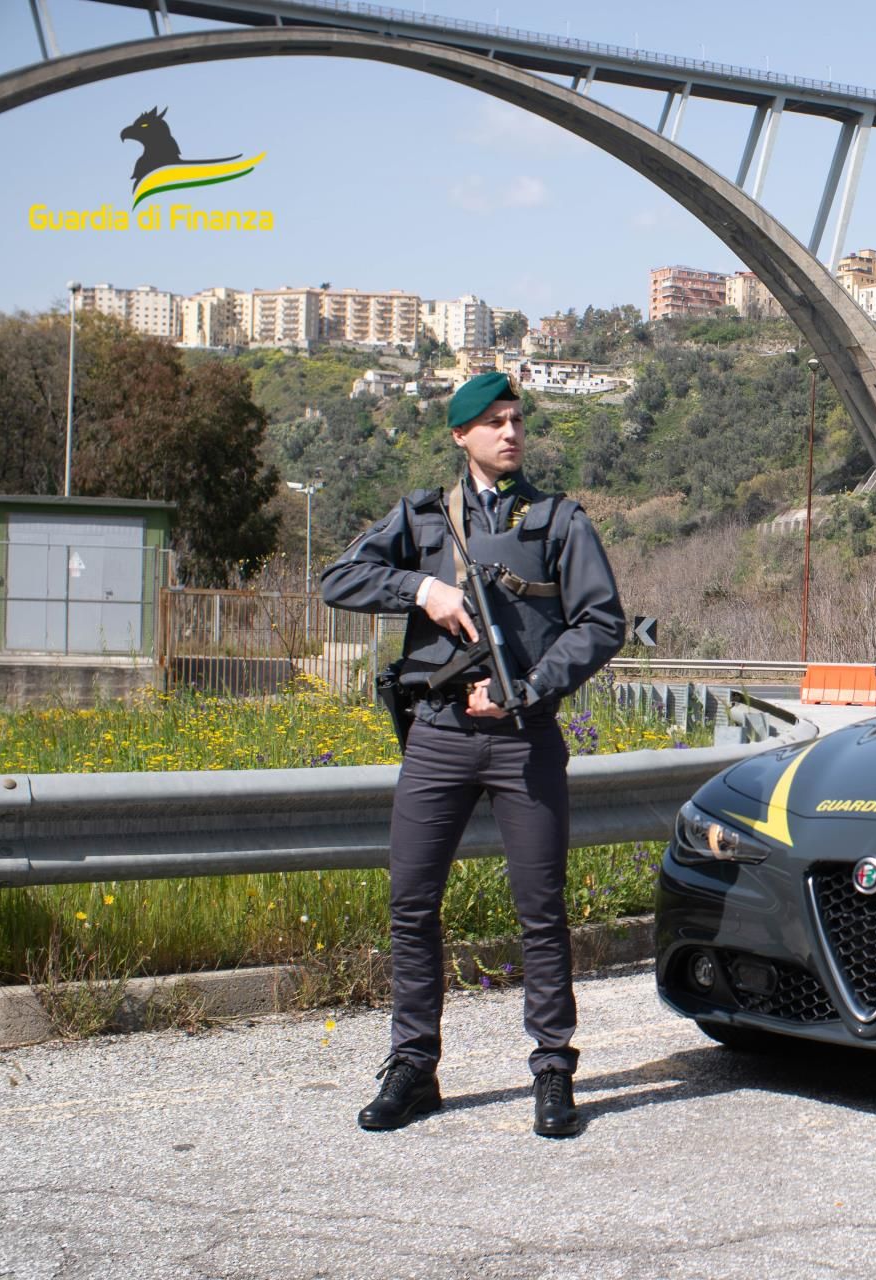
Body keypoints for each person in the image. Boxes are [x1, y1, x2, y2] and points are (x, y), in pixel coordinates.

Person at [322, 371, 628, 1138]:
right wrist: (423, 590)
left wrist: (528, 687)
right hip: (438, 735)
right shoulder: (423, 519)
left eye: (517, 419)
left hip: (524, 738)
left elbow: (601, 623)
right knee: (412, 904)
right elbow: (338, 578)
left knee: (540, 910)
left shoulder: (558, 521)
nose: (510, 432)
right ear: (461, 435)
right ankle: (413, 1066)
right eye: (492, 421)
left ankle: (554, 1069)